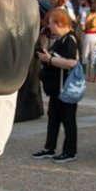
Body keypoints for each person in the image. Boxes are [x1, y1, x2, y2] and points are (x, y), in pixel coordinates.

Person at [32, 8, 80, 163]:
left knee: (68, 120)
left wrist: (49, 60)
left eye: (51, 23)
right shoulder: (61, 39)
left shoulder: (70, 39)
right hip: (56, 90)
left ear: (59, 23)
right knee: (53, 119)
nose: (49, 26)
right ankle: (49, 148)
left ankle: (70, 152)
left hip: (65, 89)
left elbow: (72, 63)